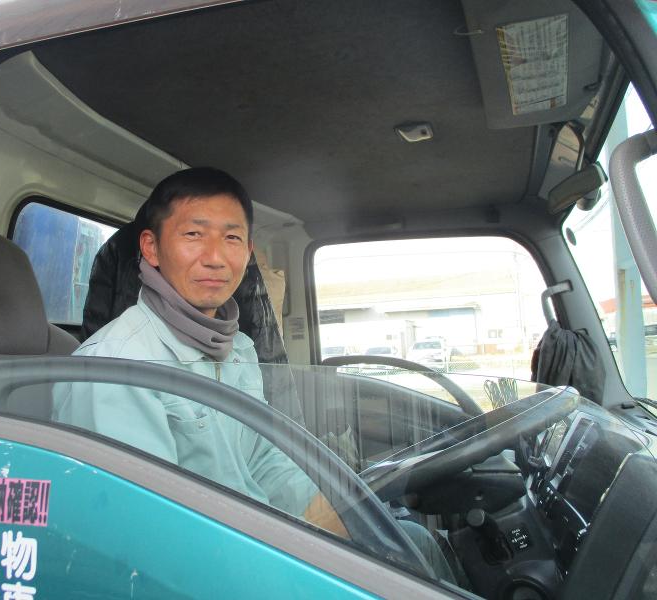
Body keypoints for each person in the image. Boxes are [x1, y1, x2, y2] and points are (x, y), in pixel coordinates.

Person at [53, 167, 453, 580]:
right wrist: (289, 545)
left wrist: (335, 509)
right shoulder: (115, 367)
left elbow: (262, 460)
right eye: (194, 234)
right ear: (151, 248)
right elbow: (140, 535)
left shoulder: (238, 349)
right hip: (202, 574)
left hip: (254, 546)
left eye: (231, 238)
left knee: (410, 542)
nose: (215, 257)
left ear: (247, 252)